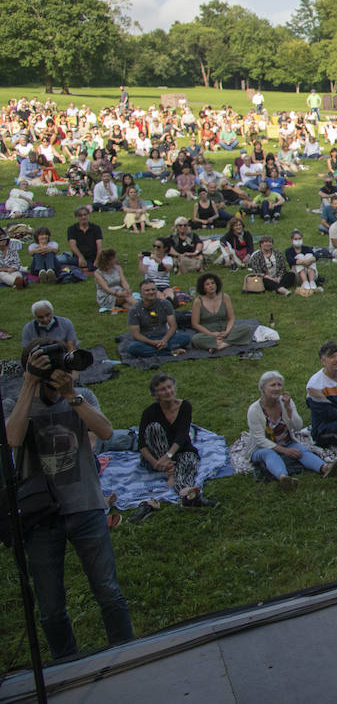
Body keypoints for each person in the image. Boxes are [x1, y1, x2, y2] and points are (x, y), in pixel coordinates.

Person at [4, 342, 134, 658]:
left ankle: (127, 656)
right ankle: (66, 663)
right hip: (40, 515)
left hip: (86, 505)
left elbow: (104, 431)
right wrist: (29, 383)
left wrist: (69, 394)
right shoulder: (14, 402)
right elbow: (12, 438)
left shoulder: (81, 397)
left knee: (108, 591)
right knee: (50, 606)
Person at [138, 373, 213, 506]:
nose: (168, 391)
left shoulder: (184, 406)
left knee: (188, 463)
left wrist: (169, 456)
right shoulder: (149, 412)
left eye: (169, 387)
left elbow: (182, 435)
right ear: (156, 395)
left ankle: (187, 494)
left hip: (179, 450)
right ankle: (170, 473)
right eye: (162, 389)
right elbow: (142, 444)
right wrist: (157, 463)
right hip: (156, 456)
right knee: (154, 428)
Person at [189, 272, 256, 351]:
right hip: (207, 333)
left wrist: (227, 332)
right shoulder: (198, 301)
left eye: (213, 283)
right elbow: (195, 324)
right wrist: (211, 334)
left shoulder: (224, 297)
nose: (211, 286)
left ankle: (223, 344)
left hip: (225, 330)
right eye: (207, 284)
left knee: (247, 328)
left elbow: (231, 318)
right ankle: (226, 342)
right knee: (195, 339)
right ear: (203, 288)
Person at [94, 248, 134, 312]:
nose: (117, 259)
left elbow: (123, 281)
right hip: (107, 295)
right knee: (126, 296)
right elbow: (106, 289)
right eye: (115, 258)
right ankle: (141, 307)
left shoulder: (118, 268)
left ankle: (138, 309)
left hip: (119, 291)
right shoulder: (98, 273)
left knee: (126, 301)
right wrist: (119, 294)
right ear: (108, 260)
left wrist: (127, 288)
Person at [66, 206, 103, 273]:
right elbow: (72, 245)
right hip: (78, 257)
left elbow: (99, 245)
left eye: (85, 215)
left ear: (88, 215)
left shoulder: (96, 228)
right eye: (80, 215)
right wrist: (80, 257)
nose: (83, 217)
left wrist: (97, 260)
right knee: (60, 260)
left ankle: (84, 268)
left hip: (93, 256)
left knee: (102, 262)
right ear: (76, 217)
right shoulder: (71, 229)